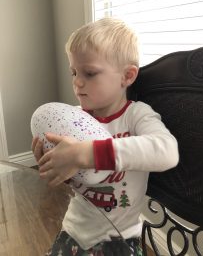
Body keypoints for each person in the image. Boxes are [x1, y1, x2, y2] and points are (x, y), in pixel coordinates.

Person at [32, 17, 179, 255]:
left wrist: (87, 153)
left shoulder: (135, 116)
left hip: (119, 238)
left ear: (127, 76)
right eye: (74, 72)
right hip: (73, 230)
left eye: (89, 73)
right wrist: (57, 165)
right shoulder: (76, 120)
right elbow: (82, 180)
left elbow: (167, 152)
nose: (77, 82)